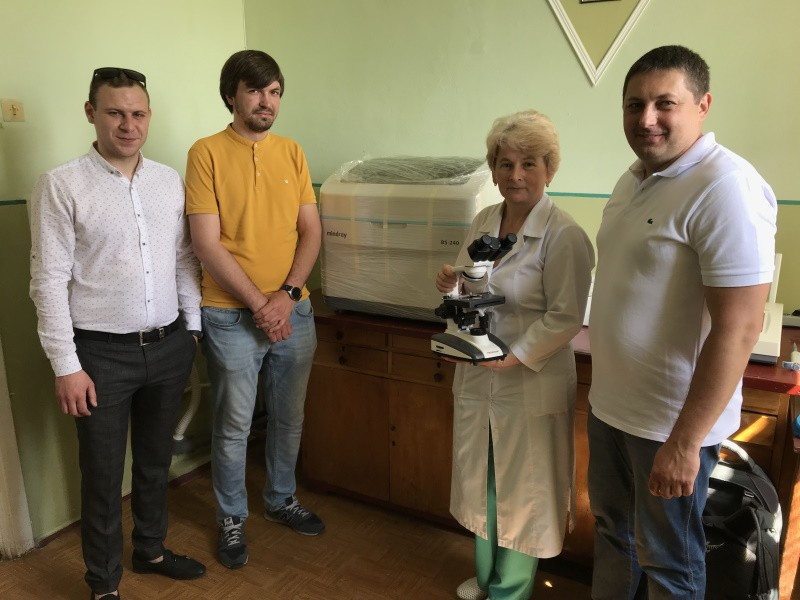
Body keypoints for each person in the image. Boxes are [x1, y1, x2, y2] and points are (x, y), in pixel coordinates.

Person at [588, 45, 777, 599]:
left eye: (664, 103)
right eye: (634, 104)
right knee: (614, 537)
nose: (646, 118)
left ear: (702, 105)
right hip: (612, 410)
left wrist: (685, 443)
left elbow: (740, 327)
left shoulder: (726, 186)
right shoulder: (633, 179)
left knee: (670, 562)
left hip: (668, 425)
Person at [29, 67, 206, 600]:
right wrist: (66, 365)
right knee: (104, 476)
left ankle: (150, 550)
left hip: (169, 345)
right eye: (115, 113)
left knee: (155, 462)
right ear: (91, 113)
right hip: (100, 357)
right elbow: (47, 281)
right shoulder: (61, 184)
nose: (128, 125)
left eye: (138, 114)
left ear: (148, 116)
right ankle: (104, 585)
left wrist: (192, 329)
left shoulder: (167, 181)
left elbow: (183, 260)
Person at [435, 110, 594, 600]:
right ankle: (486, 577)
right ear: (494, 169)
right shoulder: (485, 219)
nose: (516, 175)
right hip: (480, 377)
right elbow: (470, 285)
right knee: (483, 479)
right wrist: (450, 283)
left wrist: (514, 356)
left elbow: (566, 317)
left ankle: (510, 589)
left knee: (523, 490)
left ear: (549, 168)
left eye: (529, 163)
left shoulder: (564, 234)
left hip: (530, 381)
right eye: (505, 164)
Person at [185, 49, 323, 570]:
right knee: (233, 425)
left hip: (294, 311)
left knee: (288, 418)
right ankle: (231, 517)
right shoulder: (205, 153)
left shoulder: (292, 152)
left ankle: (281, 499)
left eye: (274, 92)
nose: (267, 101)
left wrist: (285, 297)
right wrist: (262, 305)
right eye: (255, 90)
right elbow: (206, 244)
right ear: (231, 95)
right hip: (229, 316)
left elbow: (310, 232)